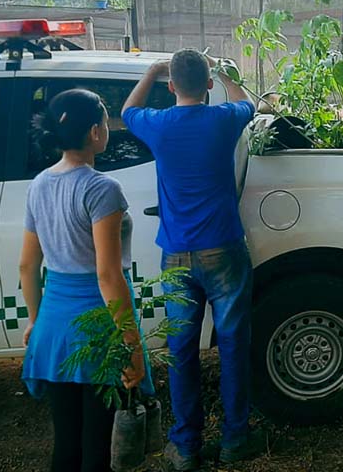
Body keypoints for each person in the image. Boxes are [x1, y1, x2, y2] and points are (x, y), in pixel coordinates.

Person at [121, 50, 258, 471]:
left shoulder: (159, 125)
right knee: (234, 346)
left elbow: (129, 110)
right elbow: (250, 102)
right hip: (224, 251)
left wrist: (150, 71)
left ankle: (185, 446)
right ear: (210, 86)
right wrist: (226, 72)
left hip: (177, 256)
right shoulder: (222, 120)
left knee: (181, 351)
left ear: (171, 87)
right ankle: (236, 439)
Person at [19, 88, 149, 472]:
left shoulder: (39, 184)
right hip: (97, 327)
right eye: (106, 120)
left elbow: (28, 265)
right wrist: (132, 344)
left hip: (55, 327)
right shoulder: (101, 189)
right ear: (95, 132)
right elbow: (108, 275)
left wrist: (33, 318)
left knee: (67, 442)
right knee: (97, 445)